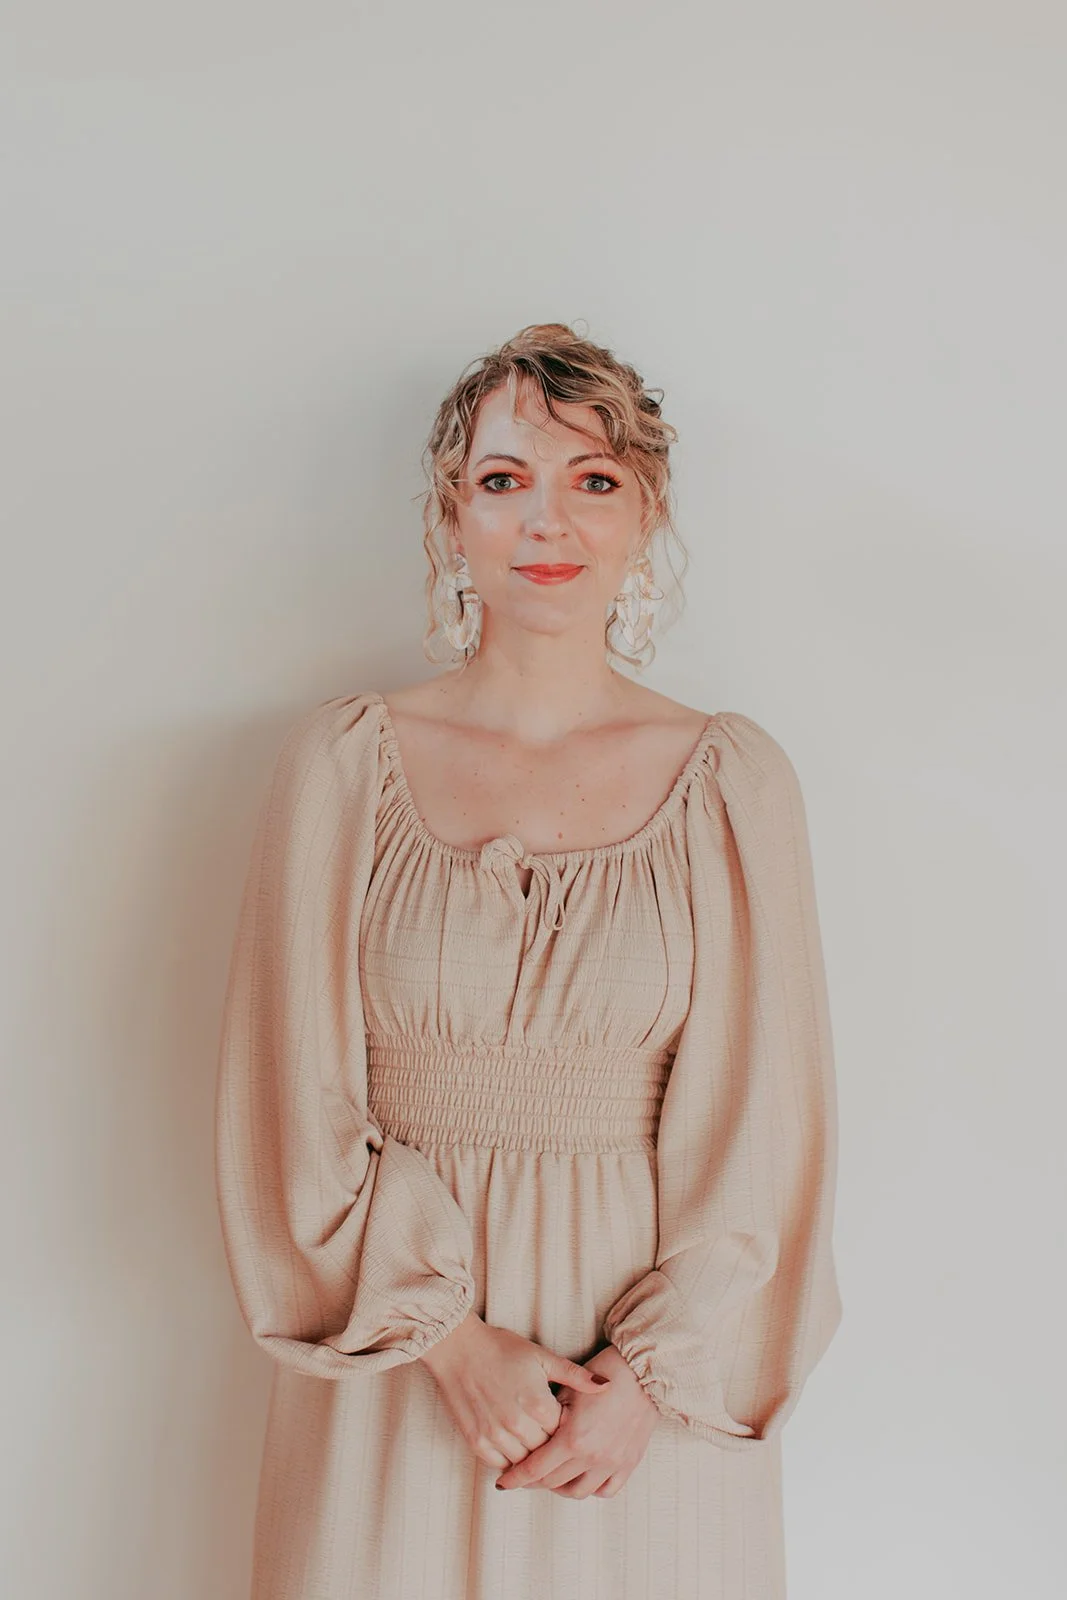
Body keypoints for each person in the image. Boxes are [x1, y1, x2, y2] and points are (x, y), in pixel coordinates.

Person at [214, 321, 843, 1599]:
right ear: (451, 515)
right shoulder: (343, 765)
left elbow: (767, 1128)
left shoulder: (731, 782)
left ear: (644, 511)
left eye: (592, 479)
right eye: (504, 480)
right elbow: (285, 1099)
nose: (545, 521)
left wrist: (646, 1382)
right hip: (391, 1360)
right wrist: (446, 1341)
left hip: (635, 1411)